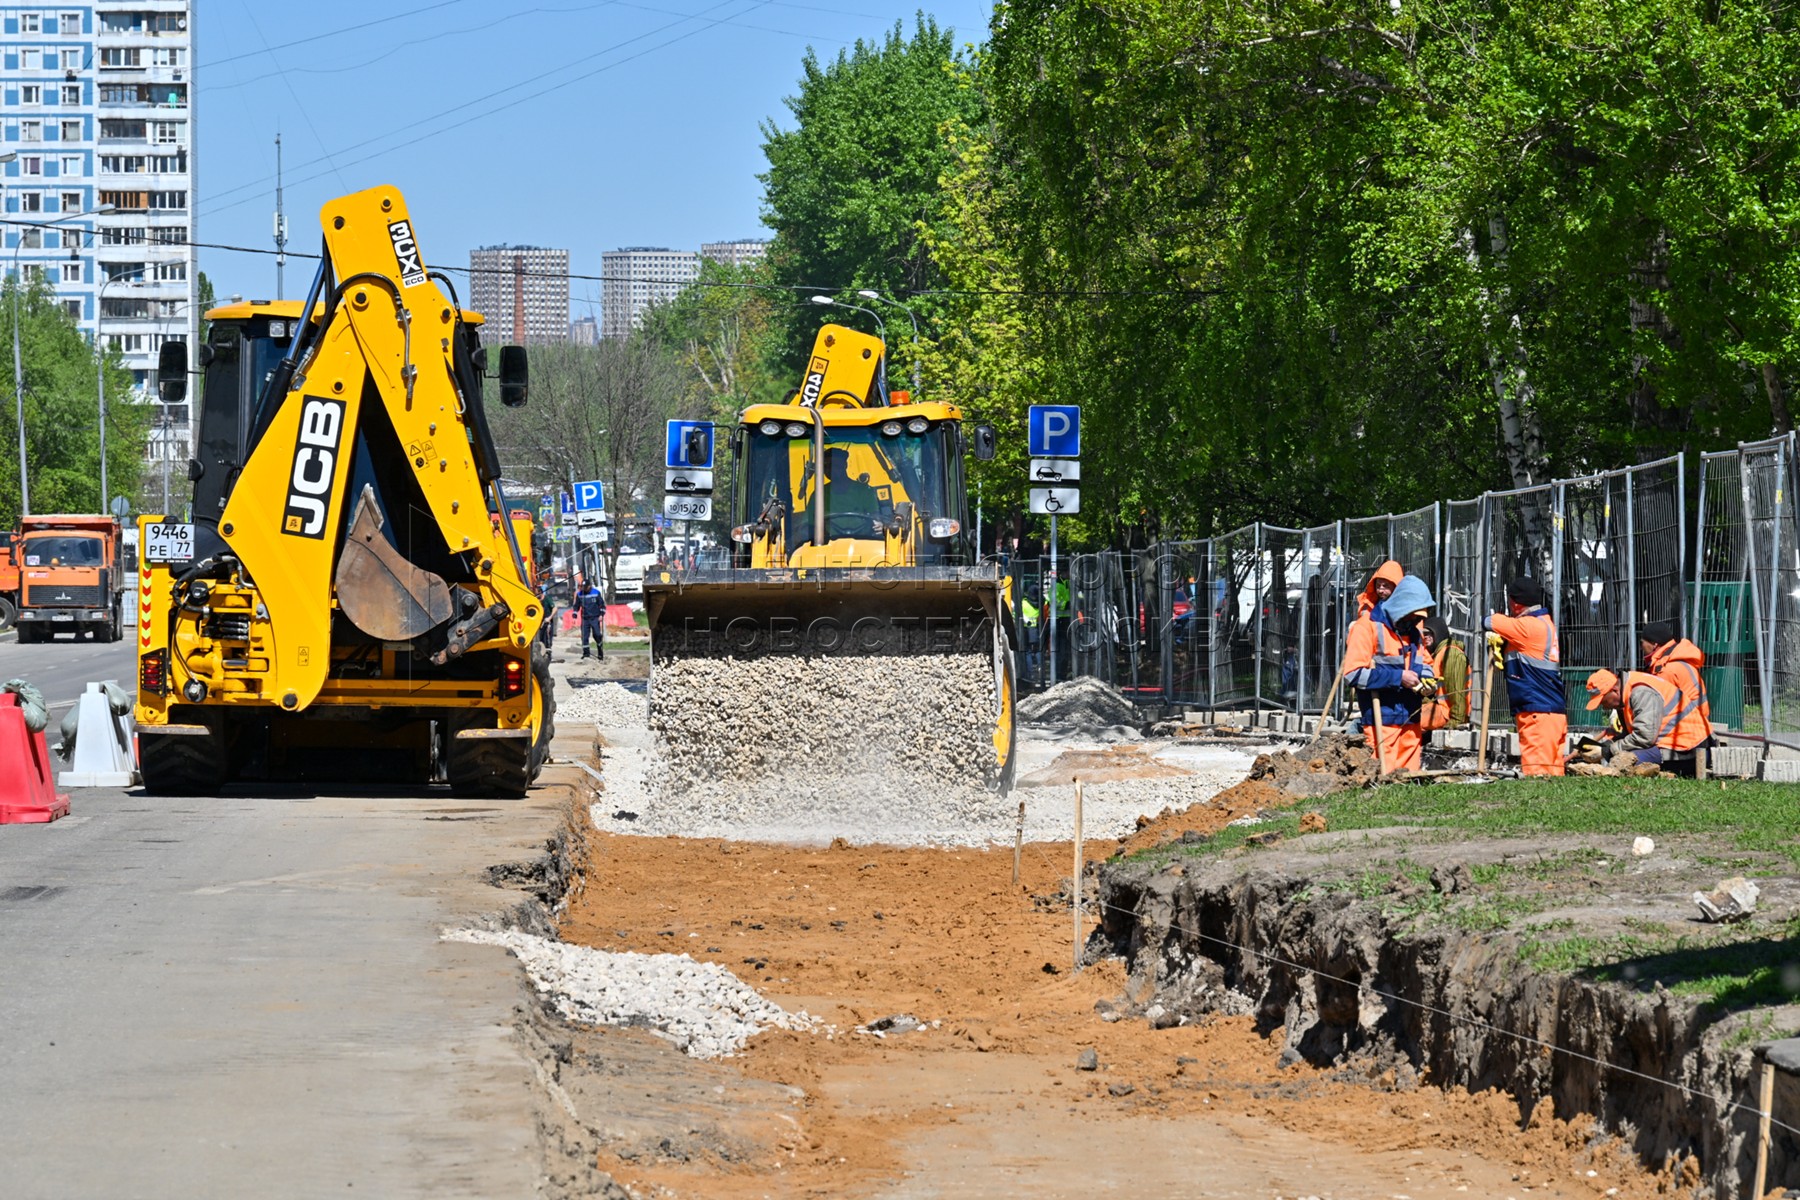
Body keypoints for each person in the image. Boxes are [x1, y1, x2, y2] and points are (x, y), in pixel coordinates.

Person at [1342, 574, 1436, 772]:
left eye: (1418, 617)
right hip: (1381, 720)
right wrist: (1398, 677)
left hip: (1411, 717)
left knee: (1408, 780)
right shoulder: (1366, 627)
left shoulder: (1414, 633)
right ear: (1401, 607)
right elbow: (1353, 674)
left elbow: (1425, 662)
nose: (1415, 621)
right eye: (1412, 616)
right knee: (1383, 777)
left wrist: (1428, 680)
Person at [1483, 577, 1566, 776]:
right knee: (1553, 774)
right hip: (1551, 711)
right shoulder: (1545, 623)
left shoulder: (1527, 627)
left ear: (1515, 603)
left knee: (1537, 775)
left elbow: (1488, 621)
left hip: (1537, 710)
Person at [1585, 667, 1707, 770]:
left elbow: (1644, 737)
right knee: (1620, 757)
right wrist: (1607, 745)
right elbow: (1635, 733)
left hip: (1687, 747)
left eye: (1603, 701)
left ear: (1615, 690)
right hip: (1671, 743)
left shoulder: (1641, 693)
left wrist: (1608, 750)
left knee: (1625, 762)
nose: (1604, 707)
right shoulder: (1628, 691)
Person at [1640, 619, 1713, 770]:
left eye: (1642, 643)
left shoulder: (1666, 670)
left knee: (1637, 755)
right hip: (1698, 731)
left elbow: (1656, 711)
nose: (1641, 647)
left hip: (1687, 738)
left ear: (1654, 644)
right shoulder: (1676, 662)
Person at [1418, 615, 1470, 730]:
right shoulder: (1436, 655)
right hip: (1442, 709)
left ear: (1439, 633)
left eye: (1429, 633)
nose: (1425, 637)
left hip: (1447, 713)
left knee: (1409, 722)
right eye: (1423, 634)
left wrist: (1456, 720)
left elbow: (1457, 691)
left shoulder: (1451, 654)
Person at [574, 575, 605, 660]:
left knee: (597, 635)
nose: (584, 589)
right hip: (585, 619)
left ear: (589, 586)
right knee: (584, 636)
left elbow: (601, 605)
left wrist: (601, 615)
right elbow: (576, 605)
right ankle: (586, 653)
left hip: (595, 618)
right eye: (582, 587)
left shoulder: (596, 593)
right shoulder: (580, 594)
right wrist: (575, 614)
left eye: (585, 587)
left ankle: (600, 651)